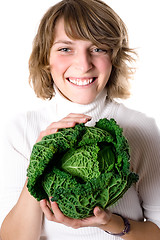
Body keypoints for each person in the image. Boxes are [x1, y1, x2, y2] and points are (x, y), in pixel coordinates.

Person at [0, 0, 160, 239]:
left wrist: (111, 223)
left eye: (98, 49)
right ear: (46, 58)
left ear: (114, 58)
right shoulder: (20, 131)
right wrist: (39, 160)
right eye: (65, 49)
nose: (84, 65)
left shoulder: (142, 130)